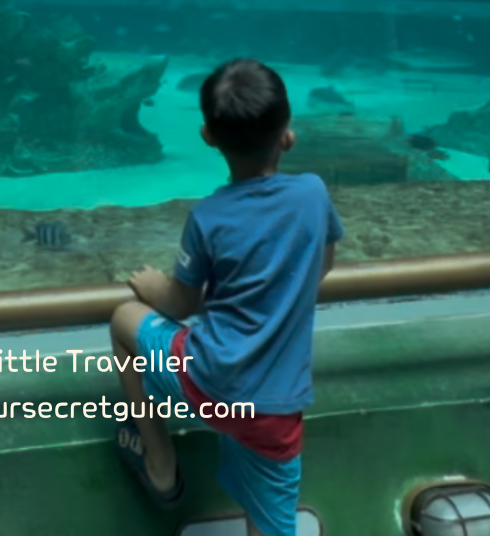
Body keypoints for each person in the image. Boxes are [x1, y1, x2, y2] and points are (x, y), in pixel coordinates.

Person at [110, 58, 343, 536]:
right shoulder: (314, 195)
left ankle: (160, 463)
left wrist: (153, 289)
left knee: (123, 321)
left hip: (206, 385)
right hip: (273, 414)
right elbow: (323, 265)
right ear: (288, 135)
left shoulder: (208, 217)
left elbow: (181, 304)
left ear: (207, 137)